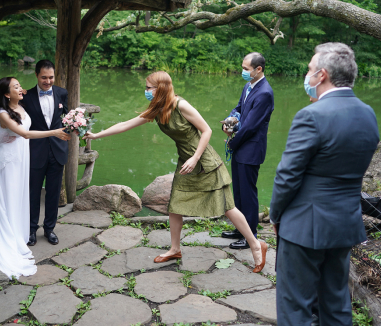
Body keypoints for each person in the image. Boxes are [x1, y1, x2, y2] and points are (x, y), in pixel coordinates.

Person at [85, 71, 268, 272]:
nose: (145, 91)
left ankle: (255, 244)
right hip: (185, 162)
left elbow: (206, 130)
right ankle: (174, 249)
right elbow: (126, 124)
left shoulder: (181, 105)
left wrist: (195, 157)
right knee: (175, 206)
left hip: (203, 161)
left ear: (160, 88)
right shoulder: (158, 108)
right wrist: (97, 134)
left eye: (148, 88)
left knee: (227, 206)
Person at [270, 43, 379, 326]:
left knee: (296, 307)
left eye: (309, 70)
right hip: (345, 222)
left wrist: (276, 214)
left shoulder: (312, 115)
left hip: (305, 223)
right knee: (336, 302)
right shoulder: (368, 113)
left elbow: (287, 175)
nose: (306, 76)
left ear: (322, 75)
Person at [0, 77, 70, 278]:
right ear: (6, 94)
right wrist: (54, 132)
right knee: (8, 198)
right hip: (9, 159)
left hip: (22, 157)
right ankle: (7, 240)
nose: (21, 88)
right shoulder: (2, 114)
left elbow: (34, 100)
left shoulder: (20, 105)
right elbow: (24, 134)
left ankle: (18, 235)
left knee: (20, 197)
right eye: (15, 87)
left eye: (20, 85)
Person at [221, 52, 274, 249]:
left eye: (246, 69)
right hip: (240, 147)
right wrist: (228, 122)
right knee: (239, 192)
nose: (242, 71)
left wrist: (232, 143)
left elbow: (250, 126)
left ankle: (250, 235)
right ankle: (239, 229)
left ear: (258, 69)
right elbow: (239, 110)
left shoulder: (265, 93)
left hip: (251, 150)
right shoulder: (248, 86)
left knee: (248, 193)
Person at [20, 60, 69, 246]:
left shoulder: (62, 93)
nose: (48, 81)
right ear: (36, 75)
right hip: (35, 151)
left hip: (58, 150)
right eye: (44, 77)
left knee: (53, 193)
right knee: (33, 193)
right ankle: (31, 229)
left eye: (51, 77)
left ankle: (50, 229)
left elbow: (69, 116)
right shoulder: (26, 96)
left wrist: (73, 130)